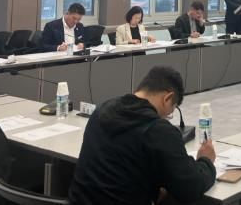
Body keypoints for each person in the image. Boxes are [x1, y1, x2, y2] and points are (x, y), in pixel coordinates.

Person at [68, 66, 216, 205]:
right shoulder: (158, 130)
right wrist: (206, 160)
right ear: (167, 98)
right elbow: (190, 187)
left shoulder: (103, 109)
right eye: (170, 113)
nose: (166, 117)